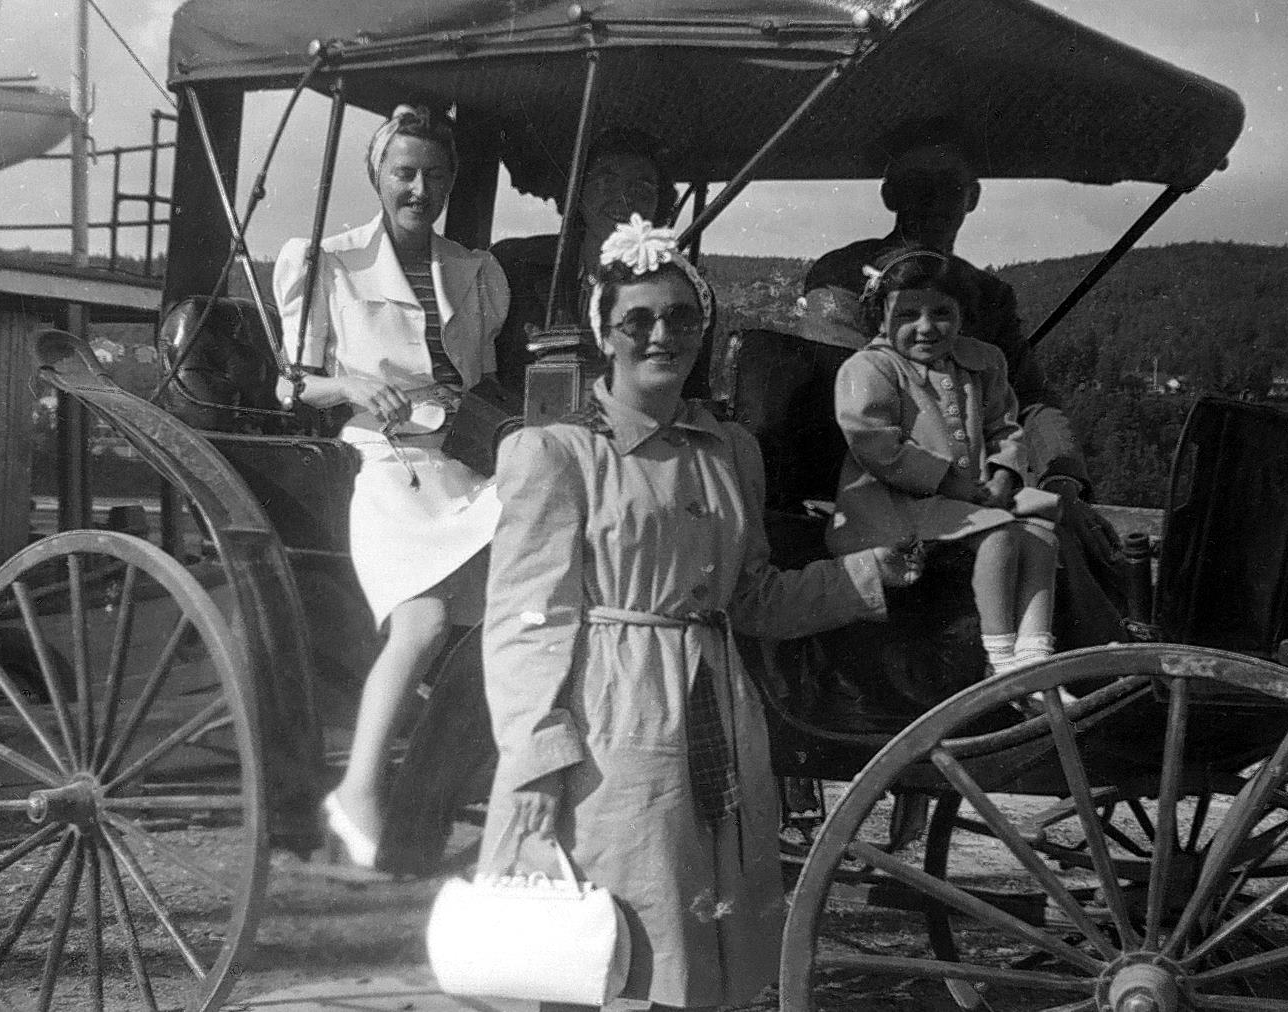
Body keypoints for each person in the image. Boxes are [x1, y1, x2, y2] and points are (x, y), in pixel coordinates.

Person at [480, 217, 921, 1011]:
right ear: (604, 333)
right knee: (609, 948)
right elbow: (525, 622)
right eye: (638, 320)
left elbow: (750, 597)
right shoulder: (555, 455)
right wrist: (537, 759)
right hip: (610, 726)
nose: (661, 335)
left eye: (682, 318)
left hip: (715, 710)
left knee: (708, 951)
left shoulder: (729, 452)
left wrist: (860, 575)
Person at [272, 105, 511, 869]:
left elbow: (488, 383)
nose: (420, 189)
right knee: (424, 624)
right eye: (405, 173)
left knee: (528, 596)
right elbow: (292, 385)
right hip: (383, 464)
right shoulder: (328, 264)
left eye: (435, 176)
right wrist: (346, 383)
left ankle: (451, 786)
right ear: (378, 176)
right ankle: (360, 789)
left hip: (466, 468)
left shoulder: (475, 272)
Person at [825, 249, 1066, 687]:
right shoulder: (870, 368)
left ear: (961, 317)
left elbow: (1003, 426)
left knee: (1042, 537)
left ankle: (1034, 656)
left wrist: (1002, 473)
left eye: (941, 313)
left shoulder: (983, 361)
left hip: (970, 496)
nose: (925, 327)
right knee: (1000, 535)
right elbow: (876, 444)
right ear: (880, 318)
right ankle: (1000, 662)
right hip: (893, 503)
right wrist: (958, 486)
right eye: (907, 314)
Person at [802, 138, 1090, 500]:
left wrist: (1062, 477)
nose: (935, 199)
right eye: (917, 184)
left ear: (973, 197)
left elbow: (1030, 400)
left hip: (974, 490)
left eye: (950, 185)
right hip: (871, 488)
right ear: (890, 195)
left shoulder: (988, 296)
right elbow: (850, 395)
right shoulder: (844, 277)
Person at [490, 127, 676, 394]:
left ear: (660, 204)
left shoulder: (675, 291)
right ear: (577, 191)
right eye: (606, 182)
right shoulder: (514, 265)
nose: (624, 198)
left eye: (641, 188)